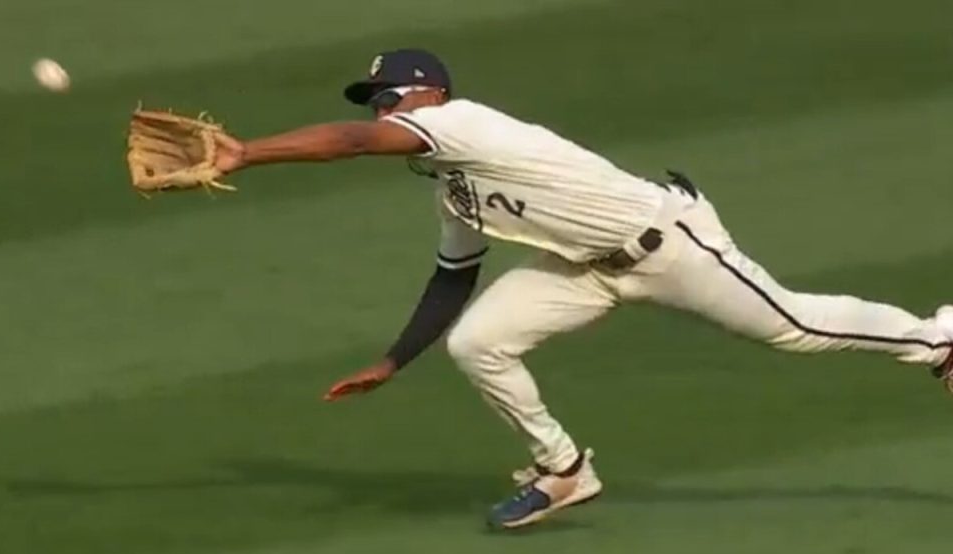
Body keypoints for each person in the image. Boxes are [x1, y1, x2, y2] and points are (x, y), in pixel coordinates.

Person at [211, 49, 953, 529]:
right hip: (587, 269)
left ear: (429, 94)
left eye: (390, 97)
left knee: (792, 327)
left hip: (669, 245)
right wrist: (394, 360)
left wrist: (248, 152)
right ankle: (564, 469)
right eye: (374, 101)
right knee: (478, 342)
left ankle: (938, 338)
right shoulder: (454, 188)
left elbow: (349, 144)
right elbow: (452, 277)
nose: (381, 112)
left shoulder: (462, 123)